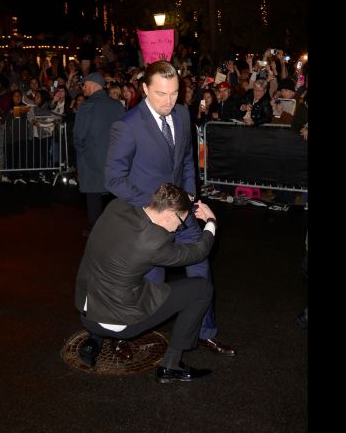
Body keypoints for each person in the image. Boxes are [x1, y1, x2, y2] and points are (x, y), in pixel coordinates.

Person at [105, 60, 236, 357]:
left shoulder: (181, 114)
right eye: (161, 93)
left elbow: (187, 159)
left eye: (174, 93)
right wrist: (153, 208)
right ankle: (128, 333)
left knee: (201, 270)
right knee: (150, 281)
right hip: (149, 219)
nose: (169, 101)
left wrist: (189, 194)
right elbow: (113, 179)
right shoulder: (127, 125)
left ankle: (205, 332)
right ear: (144, 89)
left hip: (184, 214)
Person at [75, 183, 219, 383]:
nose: (179, 228)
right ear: (169, 215)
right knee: (201, 289)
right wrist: (211, 222)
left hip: (86, 308)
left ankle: (96, 338)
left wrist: (182, 199)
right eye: (180, 222)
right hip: (116, 321)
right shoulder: (154, 244)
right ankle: (171, 365)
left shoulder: (117, 206)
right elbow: (198, 251)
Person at [74, 72, 125, 236]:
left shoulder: (86, 106)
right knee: (114, 193)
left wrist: (80, 152)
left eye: (85, 84)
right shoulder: (117, 105)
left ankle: (96, 230)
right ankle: (117, 226)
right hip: (114, 157)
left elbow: (79, 135)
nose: (83, 88)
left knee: (93, 194)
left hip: (91, 157)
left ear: (93, 85)